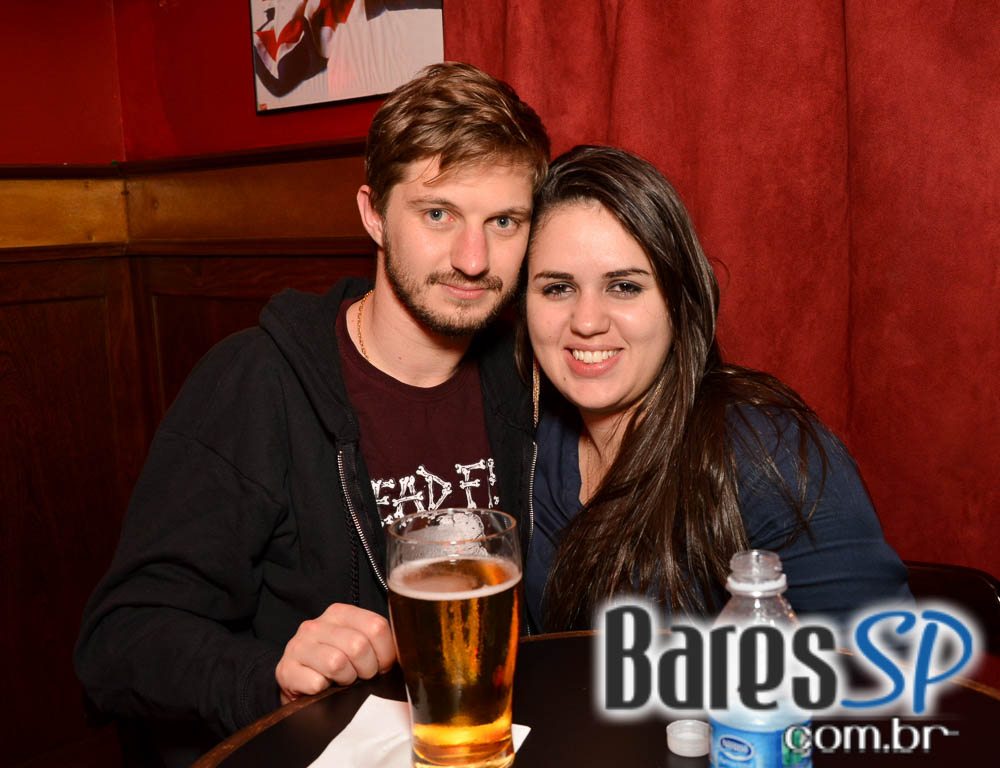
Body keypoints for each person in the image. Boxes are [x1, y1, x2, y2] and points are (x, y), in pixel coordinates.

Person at [74, 62, 549, 763]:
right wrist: (270, 674)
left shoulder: (529, 376)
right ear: (373, 213)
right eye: (438, 214)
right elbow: (119, 642)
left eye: (503, 221)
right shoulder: (258, 382)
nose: (473, 259)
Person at [520, 145, 911, 633]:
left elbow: (886, 659)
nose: (587, 321)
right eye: (557, 288)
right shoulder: (529, 443)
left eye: (625, 287)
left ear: (679, 300)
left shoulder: (766, 452)